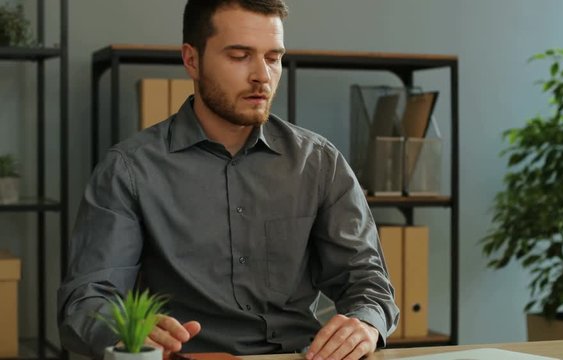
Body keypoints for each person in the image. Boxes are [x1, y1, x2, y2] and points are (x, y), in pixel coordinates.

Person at [57, 0, 399, 359]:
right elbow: (86, 301)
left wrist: (365, 324)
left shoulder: (320, 163)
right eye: (240, 56)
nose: (262, 76)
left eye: (273, 57)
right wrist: (130, 331)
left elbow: (368, 283)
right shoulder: (129, 170)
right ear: (192, 60)